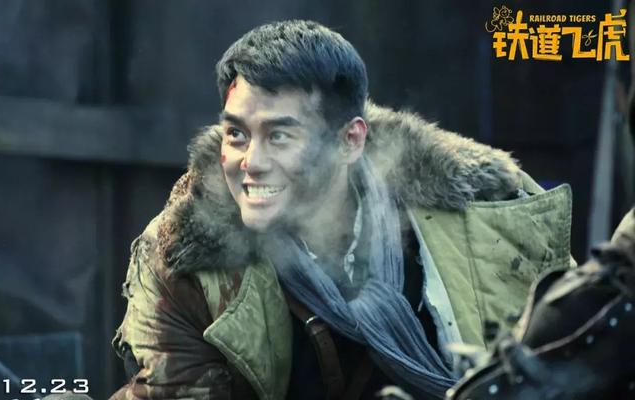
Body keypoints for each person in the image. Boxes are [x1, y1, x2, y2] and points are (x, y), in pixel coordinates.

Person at [110, 20, 574, 400]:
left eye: (279, 136)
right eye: (237, 135)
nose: (250, 162)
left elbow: (576, 363)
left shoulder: (489, 218)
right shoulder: (184, 264)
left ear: (350, 141)